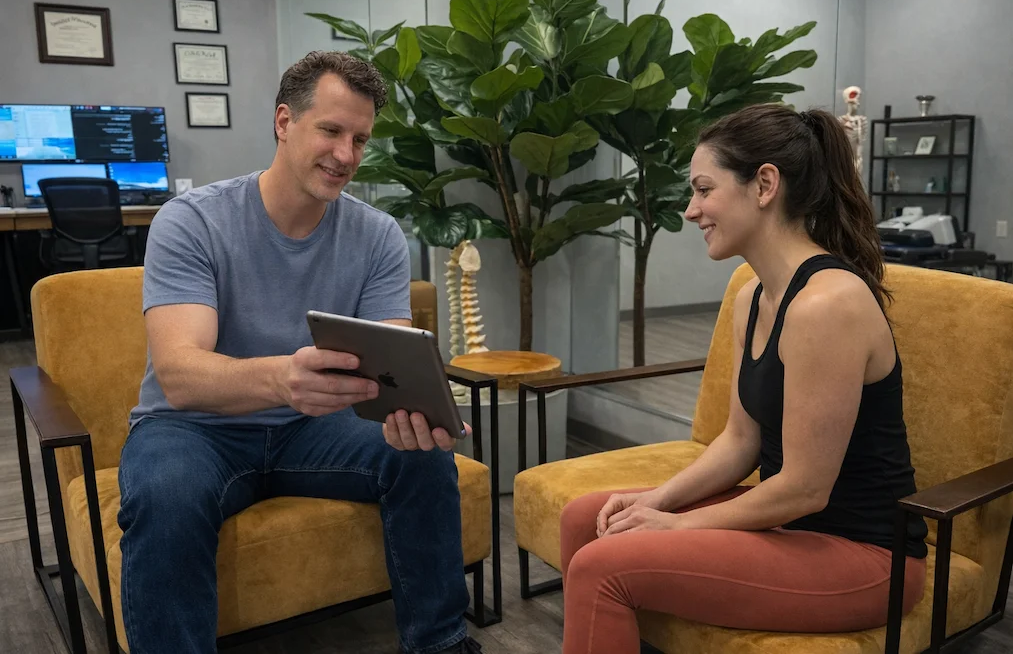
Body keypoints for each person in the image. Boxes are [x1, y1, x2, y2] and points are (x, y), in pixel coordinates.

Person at [117, 51, 481, 654]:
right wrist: (282, 379)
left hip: (317, 428)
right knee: (166, 495)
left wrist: (413, 412)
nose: (346, 155)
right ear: (284, 122)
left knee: (422, 457)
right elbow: (179, 376)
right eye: (331, 131)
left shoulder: (378, 236)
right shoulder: (191, 222)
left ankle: (440, 644)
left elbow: (390, 365)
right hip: (194, 429)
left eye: (360, 139)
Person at [558, 103, 929, 653]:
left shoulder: (828, 305)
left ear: (765, 185)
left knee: (601, 566)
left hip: (864, 554)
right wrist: (656, 501)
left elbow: (805, 488)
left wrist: (678, 527)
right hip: (792, 525)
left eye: (703, 190)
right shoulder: (751, 296)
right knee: (584, 518)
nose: (691, 210)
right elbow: (739, 441)